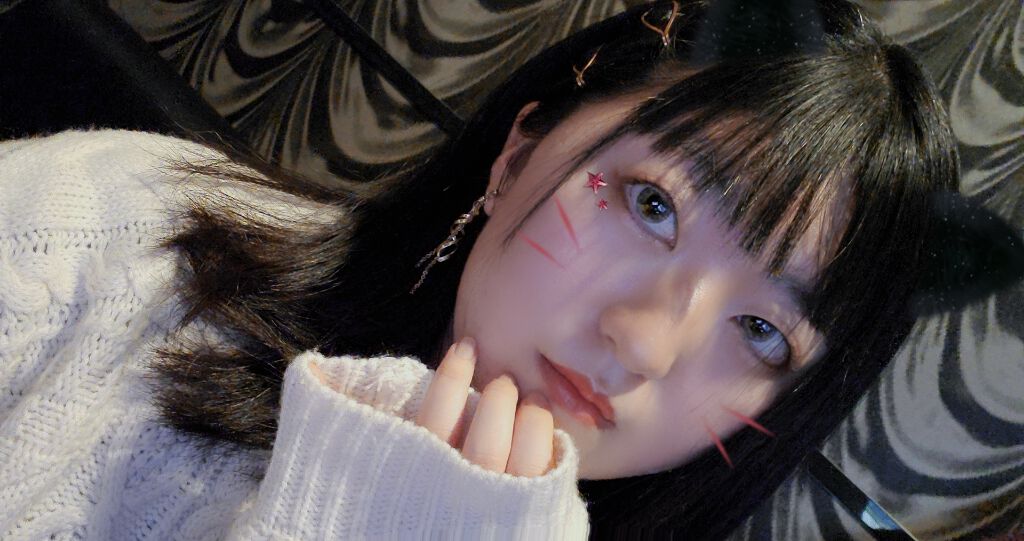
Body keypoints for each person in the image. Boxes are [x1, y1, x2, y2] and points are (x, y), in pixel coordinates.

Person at [0, 0, 961, 538]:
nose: (644, 342)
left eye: (760, 331)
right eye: (653, 205)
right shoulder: (123, 231)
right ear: (518, 154)